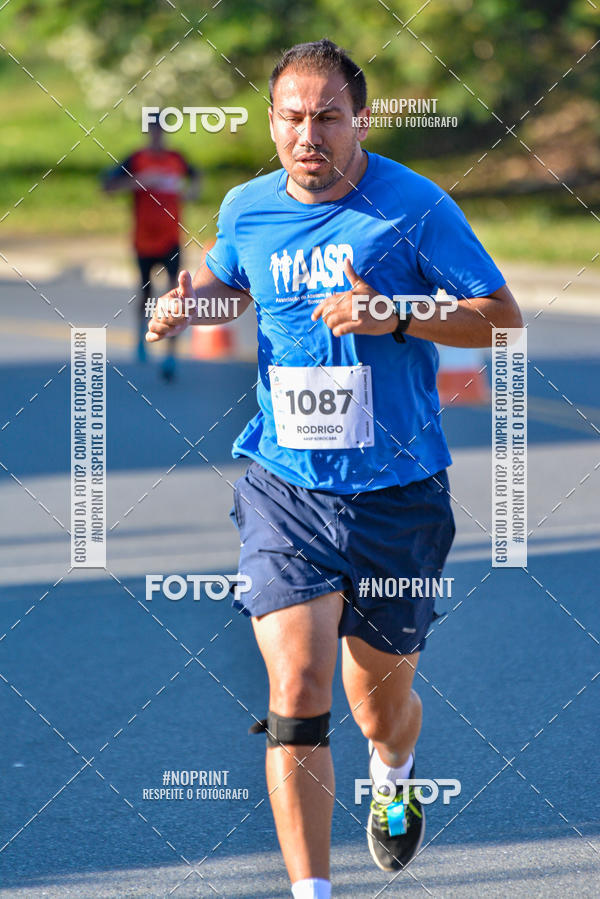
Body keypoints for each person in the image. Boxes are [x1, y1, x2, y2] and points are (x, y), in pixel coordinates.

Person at [146, 39, 522, 898]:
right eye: (291, 117)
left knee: (377, 708)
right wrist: (188, 306)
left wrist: (396, 313)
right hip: (285, 488)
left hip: (398, 495)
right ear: (271, 121)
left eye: (327, 117)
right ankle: (311, 889)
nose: (307, 134)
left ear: (361, 121)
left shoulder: (414, 206)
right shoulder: (247, 206)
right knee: (296, 686)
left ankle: (394, 773)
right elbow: (231, 283)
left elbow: (501, 319)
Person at [102, 119, 200, 380]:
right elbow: (107, 186)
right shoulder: (136, 160)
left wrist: (191, 191)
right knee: (145, 291)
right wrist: (140, 182)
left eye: (161, 132)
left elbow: (195, 178)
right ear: (147, 134)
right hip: (143, 240)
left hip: (171, 239)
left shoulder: (176, 159)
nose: (157, 137)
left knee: (175, 295)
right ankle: (141, 338)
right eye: (153, 132)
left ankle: (170, 354)